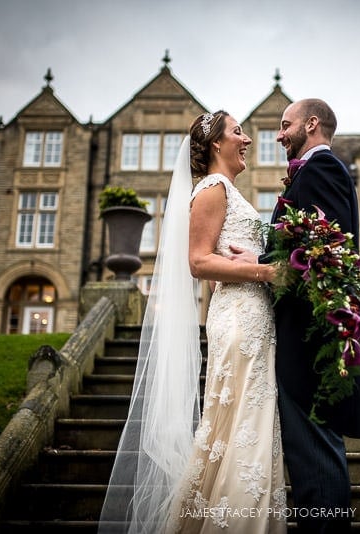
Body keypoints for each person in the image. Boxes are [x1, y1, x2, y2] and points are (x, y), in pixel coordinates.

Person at [98, 111, 287, 534]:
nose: (248, 140)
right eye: (238, 132)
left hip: (252, 316)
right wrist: (268, 272)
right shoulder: (212, 189)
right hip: (239, 319)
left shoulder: (228, 190)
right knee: (244, 429)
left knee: (243, 428)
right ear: (216, 145)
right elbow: (199, 262)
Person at [232, 98, 360, 533]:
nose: (277, 134)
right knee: (309, 462)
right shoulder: (313, 173)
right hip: (310, 339)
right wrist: (265, 255)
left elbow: (323, 255)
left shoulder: (320, 170)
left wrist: (258, 264)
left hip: (312, 343)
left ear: (311, 124)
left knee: (316, 462)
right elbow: (307, 246)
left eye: (284, 125)